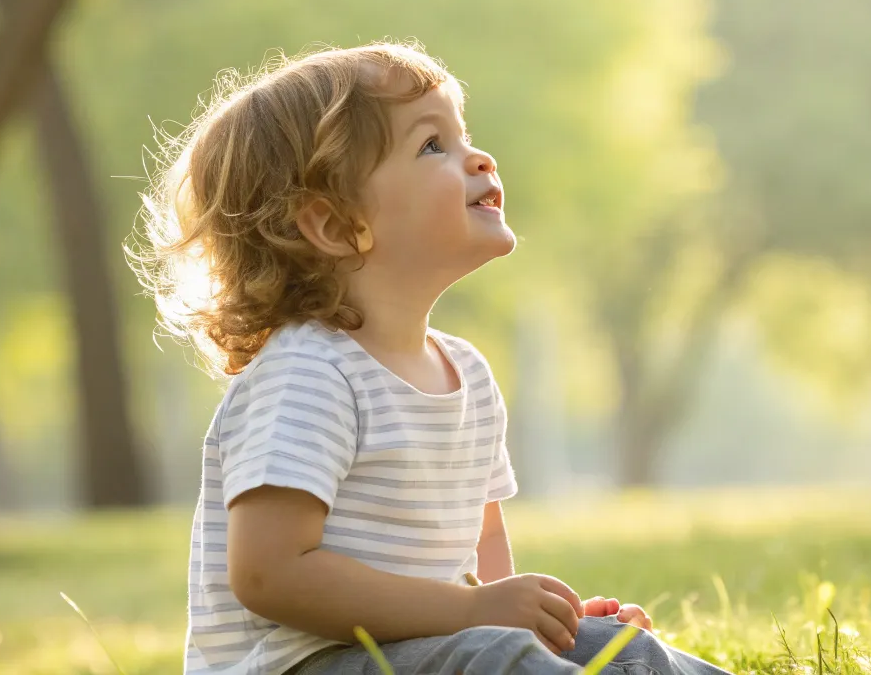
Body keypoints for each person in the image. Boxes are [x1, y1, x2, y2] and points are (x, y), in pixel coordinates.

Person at [134, 42, 736, 675]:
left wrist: (546, 625)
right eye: (432, 146)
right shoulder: (308, 374)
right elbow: (270, 574)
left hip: (429, 649)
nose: (479, 157)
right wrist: (477, 617)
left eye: (463, 132)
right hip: (307, 663)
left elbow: (482, 551)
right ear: (337, 226)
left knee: (621, 649)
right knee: (493, 653)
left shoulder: (467, 374)